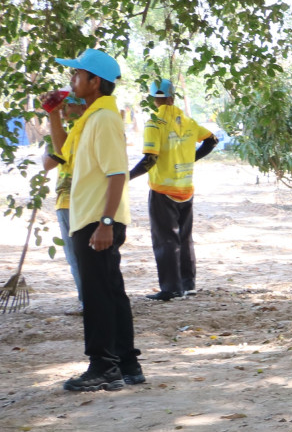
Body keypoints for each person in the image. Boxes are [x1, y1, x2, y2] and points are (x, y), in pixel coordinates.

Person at [56, 48, 142, 391]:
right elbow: (61, 155)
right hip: (92, 218)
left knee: (97, 296)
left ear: (95, 82)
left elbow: (117, 173)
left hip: (97, 219)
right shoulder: (92, 117)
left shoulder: (104, 118)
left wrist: (106, 223)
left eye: (77, 74)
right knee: (110, 292)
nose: (72, 79)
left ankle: (103, 366)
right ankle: (127, 364)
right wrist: (52, 115)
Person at [131, 78, 217, 300]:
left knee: (165, 239)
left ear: (154, 98)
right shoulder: (188, 121)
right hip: (185, 188)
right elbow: (212, 140)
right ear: (173, 97)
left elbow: (150, 159)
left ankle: (171, 288)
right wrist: (190, 158)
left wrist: (127, 176)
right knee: (185, 237)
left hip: (162, 190)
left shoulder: (154, 123)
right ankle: (188, 284)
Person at [40, 90, 84, 312]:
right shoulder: (63, 132)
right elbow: (48, 163)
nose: (64, 109)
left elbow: (57, 154)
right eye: (63, 105)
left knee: (81, 256)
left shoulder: (85, 129)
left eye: (69, 105)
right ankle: (86, 300)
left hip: (81, 200)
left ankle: (91, 301)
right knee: (74, 256)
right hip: (66, 199)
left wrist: (53, 117)